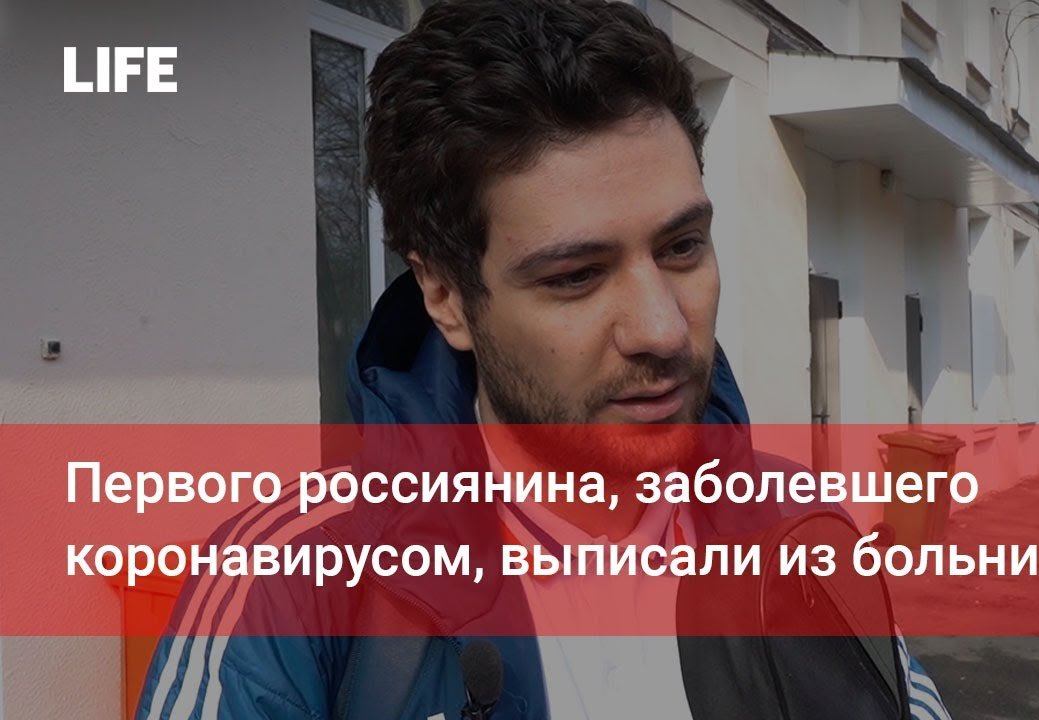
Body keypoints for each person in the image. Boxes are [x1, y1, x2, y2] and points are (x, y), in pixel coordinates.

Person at [135, 1, 951, 718]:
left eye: (682, 247)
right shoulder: (291, 582)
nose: (664, 329)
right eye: (576, 277)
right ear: (446, 296)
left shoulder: (801, 526)